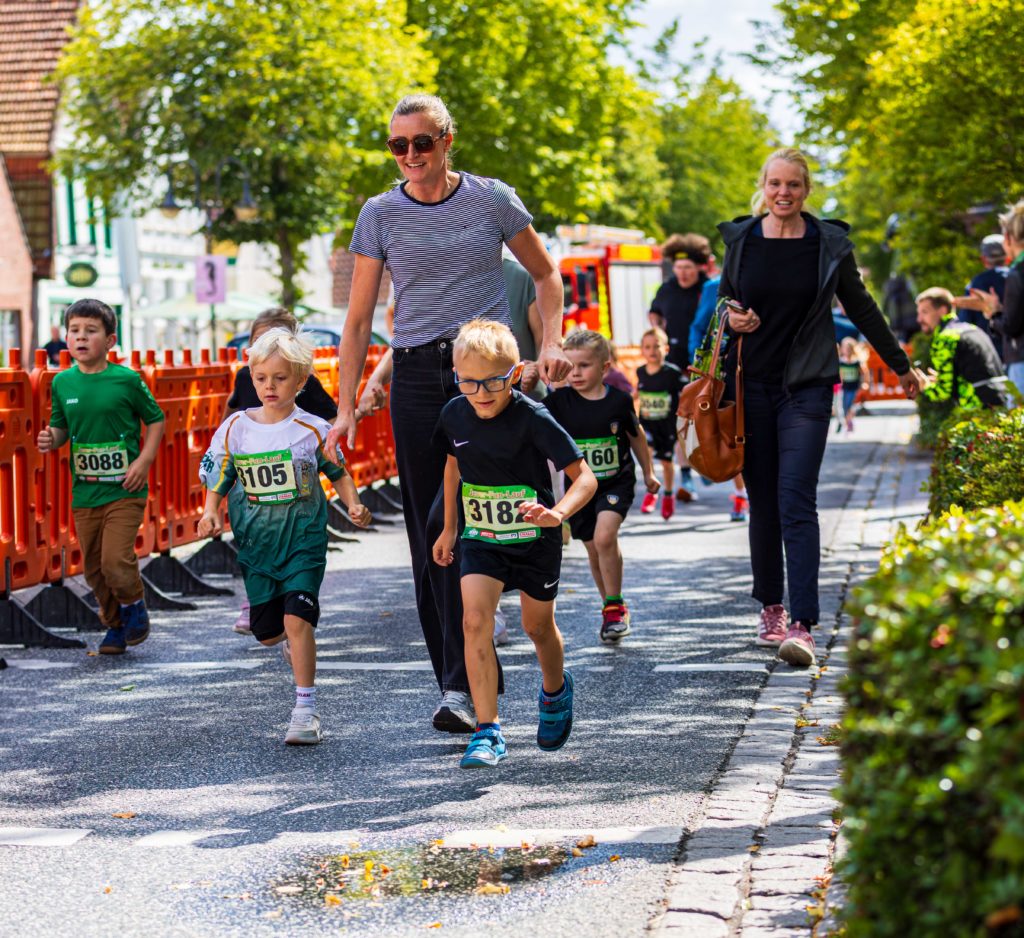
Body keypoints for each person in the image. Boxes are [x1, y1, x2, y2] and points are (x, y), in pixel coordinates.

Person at [325, 94, 571, 735]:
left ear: (446, 141)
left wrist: (549, 344)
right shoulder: (379, 213)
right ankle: (458, 685)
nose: (410, 155)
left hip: (483, 371)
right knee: (431, 527)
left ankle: (519, 622)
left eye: (422, 142)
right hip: (415, 374)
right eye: (397, 145)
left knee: (489, 507)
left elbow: (548, 277)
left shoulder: (491, 199)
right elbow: (357, 321)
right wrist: (346, 409)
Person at [719, 148, 921, 668]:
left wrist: (901, 366)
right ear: (763, 186)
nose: (783, 193)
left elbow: (862, 308)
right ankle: (771, 606)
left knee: (796, 498)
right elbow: (723, 304)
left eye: (793, 184)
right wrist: (731, 319)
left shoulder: (828, 244)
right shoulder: (741, 240)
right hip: (751, 386)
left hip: (807, 387)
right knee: (763, 501)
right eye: (775, 184)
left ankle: (803, 624)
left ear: (807, 190)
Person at [431, 320, 596, 768]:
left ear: (517, 373)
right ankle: (488, 730)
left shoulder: (533, 417)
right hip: (481, 537)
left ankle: (555, 689)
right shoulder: (454, 413)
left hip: (534, 538)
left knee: (537, 627)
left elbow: (585, 478)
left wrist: (557, 513)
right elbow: (453, 466)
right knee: (474, 621)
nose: (481, 393)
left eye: (493, 382)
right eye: (468, 382)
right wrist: (449, 527)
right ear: (455, 375)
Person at [198, 329, 371, 745]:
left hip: (303, 541)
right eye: (261, 378)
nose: (269, 386)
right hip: (258, 546)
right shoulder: (235, 429)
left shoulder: (312, 429)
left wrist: (354, 504)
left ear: (300, 381)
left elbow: (339, 474)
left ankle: (305, 711)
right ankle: (293, 638)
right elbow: (219, 476)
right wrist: (209, 512)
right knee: (269, 633)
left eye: (280, 378)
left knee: (297, 619)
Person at [36, 298, 165, 655]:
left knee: (115, 560)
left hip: (125, 488)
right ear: (66, 337)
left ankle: (133, 604)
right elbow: (60, 427)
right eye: (74, 330)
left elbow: (156, 419)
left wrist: (144, 461)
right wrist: (51, 438)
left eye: (90, 331)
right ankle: (115, 626)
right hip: (85, 492)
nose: (81, 337)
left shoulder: (126, 379)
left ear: (109, 341)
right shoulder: (62, 382)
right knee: (93, 569)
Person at [224, 308, 342, 635]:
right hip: (253, 484)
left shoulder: (307, 384)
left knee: (294, 555)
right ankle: (259, 601)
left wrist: (321, 443)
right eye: (260, 341)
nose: (269, 384)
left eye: (278, 340)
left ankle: (296, 612)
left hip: (295, 485)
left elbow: (331, 417)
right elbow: (230, 411)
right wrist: (222, 445)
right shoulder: (244, 377)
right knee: (258, 538)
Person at [544, 330, 659, 644]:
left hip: (615, 482)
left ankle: (615, 606)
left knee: (605, 536)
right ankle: (610, 607)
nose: (576, 373)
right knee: (594, 549)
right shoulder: (558, 402)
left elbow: (636, 436)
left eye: (584, 366)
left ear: (604, 367)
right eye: (571, 366)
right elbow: (530, 419)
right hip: (580, 490)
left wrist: (649, 472)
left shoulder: (619, 401)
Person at [958, 200, 1024, 397]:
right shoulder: (1013, 273)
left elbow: (1011, 326)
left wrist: (993, 312)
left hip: (1012, 359)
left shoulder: (1017, 274)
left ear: (1009, 238)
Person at [915, 287, 1007, 409]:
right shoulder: (973, 329)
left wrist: (924, 386)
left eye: (924, 312)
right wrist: (944, 379)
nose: (919, 319)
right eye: (919, 313)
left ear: (942, 310)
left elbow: (943, 392)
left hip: (977, 411)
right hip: (1002, 403)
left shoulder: (946, 338)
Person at [635, 326, 684, 520]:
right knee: (646, 452)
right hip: (646, 423)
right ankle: (652, 491)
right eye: (647, 347)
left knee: (666, 462)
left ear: (666, 349)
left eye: (656, 346)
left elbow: (684, 393)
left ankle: (669, 495)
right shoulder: (640, 372)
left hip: (666, 425)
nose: (652, 351)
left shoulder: (672, 373)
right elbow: (637, 392)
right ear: (642, 350)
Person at [650, 234, 709, 374]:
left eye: (687, 267)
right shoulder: (666, 289)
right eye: (678, 267)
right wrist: (657, 330)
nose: (682, 272)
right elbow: (654, 312)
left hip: (702, 357)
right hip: (672, 356)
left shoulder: (708, 288)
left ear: (698, 267)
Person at [953, 234, 1008, 346]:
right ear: (1007, 256)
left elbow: (964, 322)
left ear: (983, 259)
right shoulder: (1017, 277)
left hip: (990, 349)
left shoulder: (975, 284)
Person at [836, 337, 869, 433]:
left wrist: (865, 383)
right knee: (844, 406)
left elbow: (864, 373)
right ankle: (848, 421)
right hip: (844, 388)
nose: (847, 351)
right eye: (846, 349)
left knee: (850, 405)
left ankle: (849, 423)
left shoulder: (856, 362)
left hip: (854, 387)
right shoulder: (841, 362)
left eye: (849, 349)